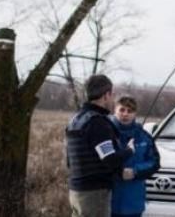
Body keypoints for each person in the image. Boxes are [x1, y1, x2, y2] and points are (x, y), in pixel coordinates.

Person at [67, 74, 135, 217]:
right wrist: (129, 151)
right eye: (111, 95)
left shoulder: (75, 120)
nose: (111, 99)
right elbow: (109, 159)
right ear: (106, 95)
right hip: (94, 194)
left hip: (75, 191)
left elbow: (68, 161)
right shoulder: (98, 123)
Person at [110, 95, 160, 217]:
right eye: (122, 110)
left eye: (130, 111)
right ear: (115, 110)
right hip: (108, 201)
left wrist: (135, 171)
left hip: (134, 204)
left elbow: (155, 162)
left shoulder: (144, 136)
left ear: (135, 113)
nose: (125, 114)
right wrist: (118, 172)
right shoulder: (104, 132)